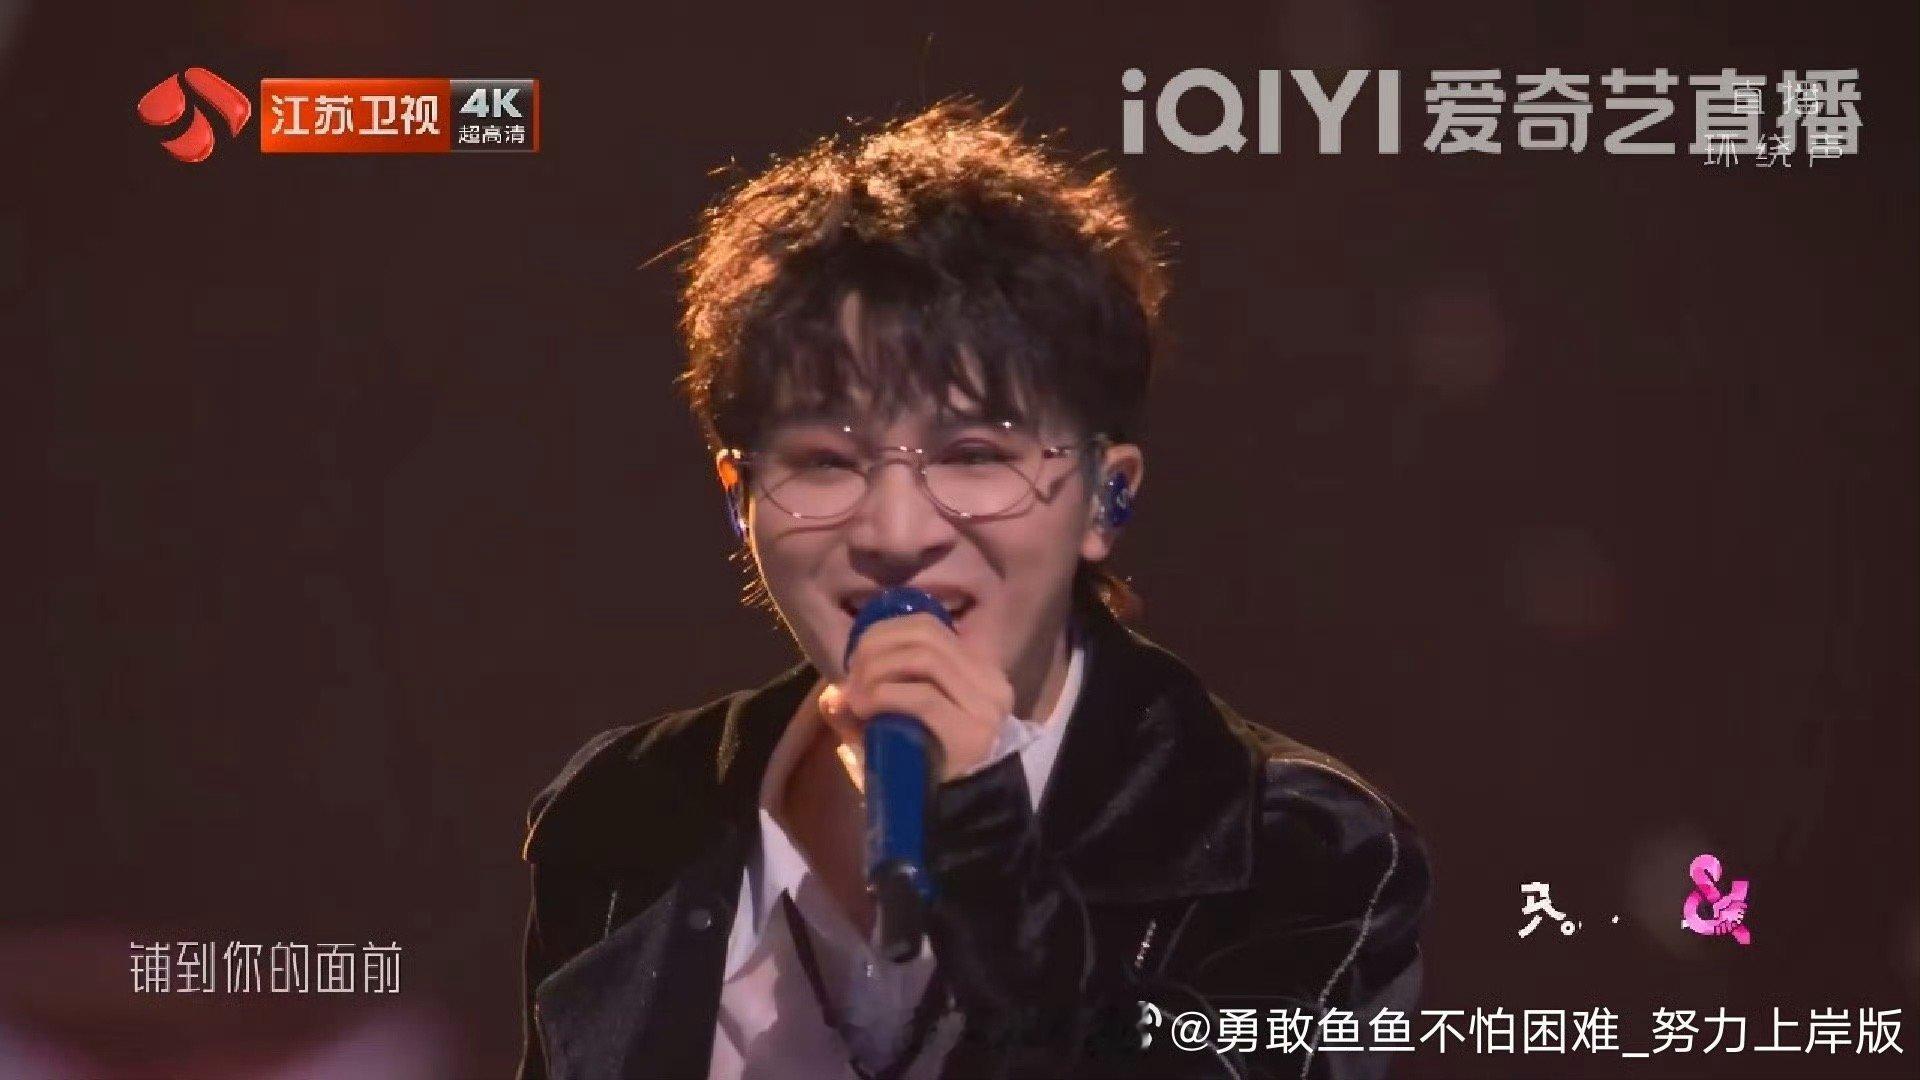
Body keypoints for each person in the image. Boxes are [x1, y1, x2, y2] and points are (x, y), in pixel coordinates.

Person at [516, 98, 1431, 1080]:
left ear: (1106, 495)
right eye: (825, 462)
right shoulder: (626, 814)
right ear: (740, 498)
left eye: (974, 456)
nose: (897, 534)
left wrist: (987, 851)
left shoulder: (1292, 846)